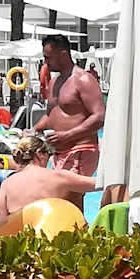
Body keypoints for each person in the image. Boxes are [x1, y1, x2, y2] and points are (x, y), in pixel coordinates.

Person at [0, 134, 97, 235]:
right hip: (51, 240)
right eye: (48, 153)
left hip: (20, 241)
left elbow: (3, 224)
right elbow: (99, 184)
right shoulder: (58, 177)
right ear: (39, 154)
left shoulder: (6, 183)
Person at [35, 34, 104, 175]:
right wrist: (33, 130)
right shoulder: (54, 82)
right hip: (59, 152)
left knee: (68, 190)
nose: (45, 62)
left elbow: (99, 116)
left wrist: (67, 135)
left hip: (80, 150)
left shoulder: (83, 80)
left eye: (48, 58)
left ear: (63, 55)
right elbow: (50, 115)